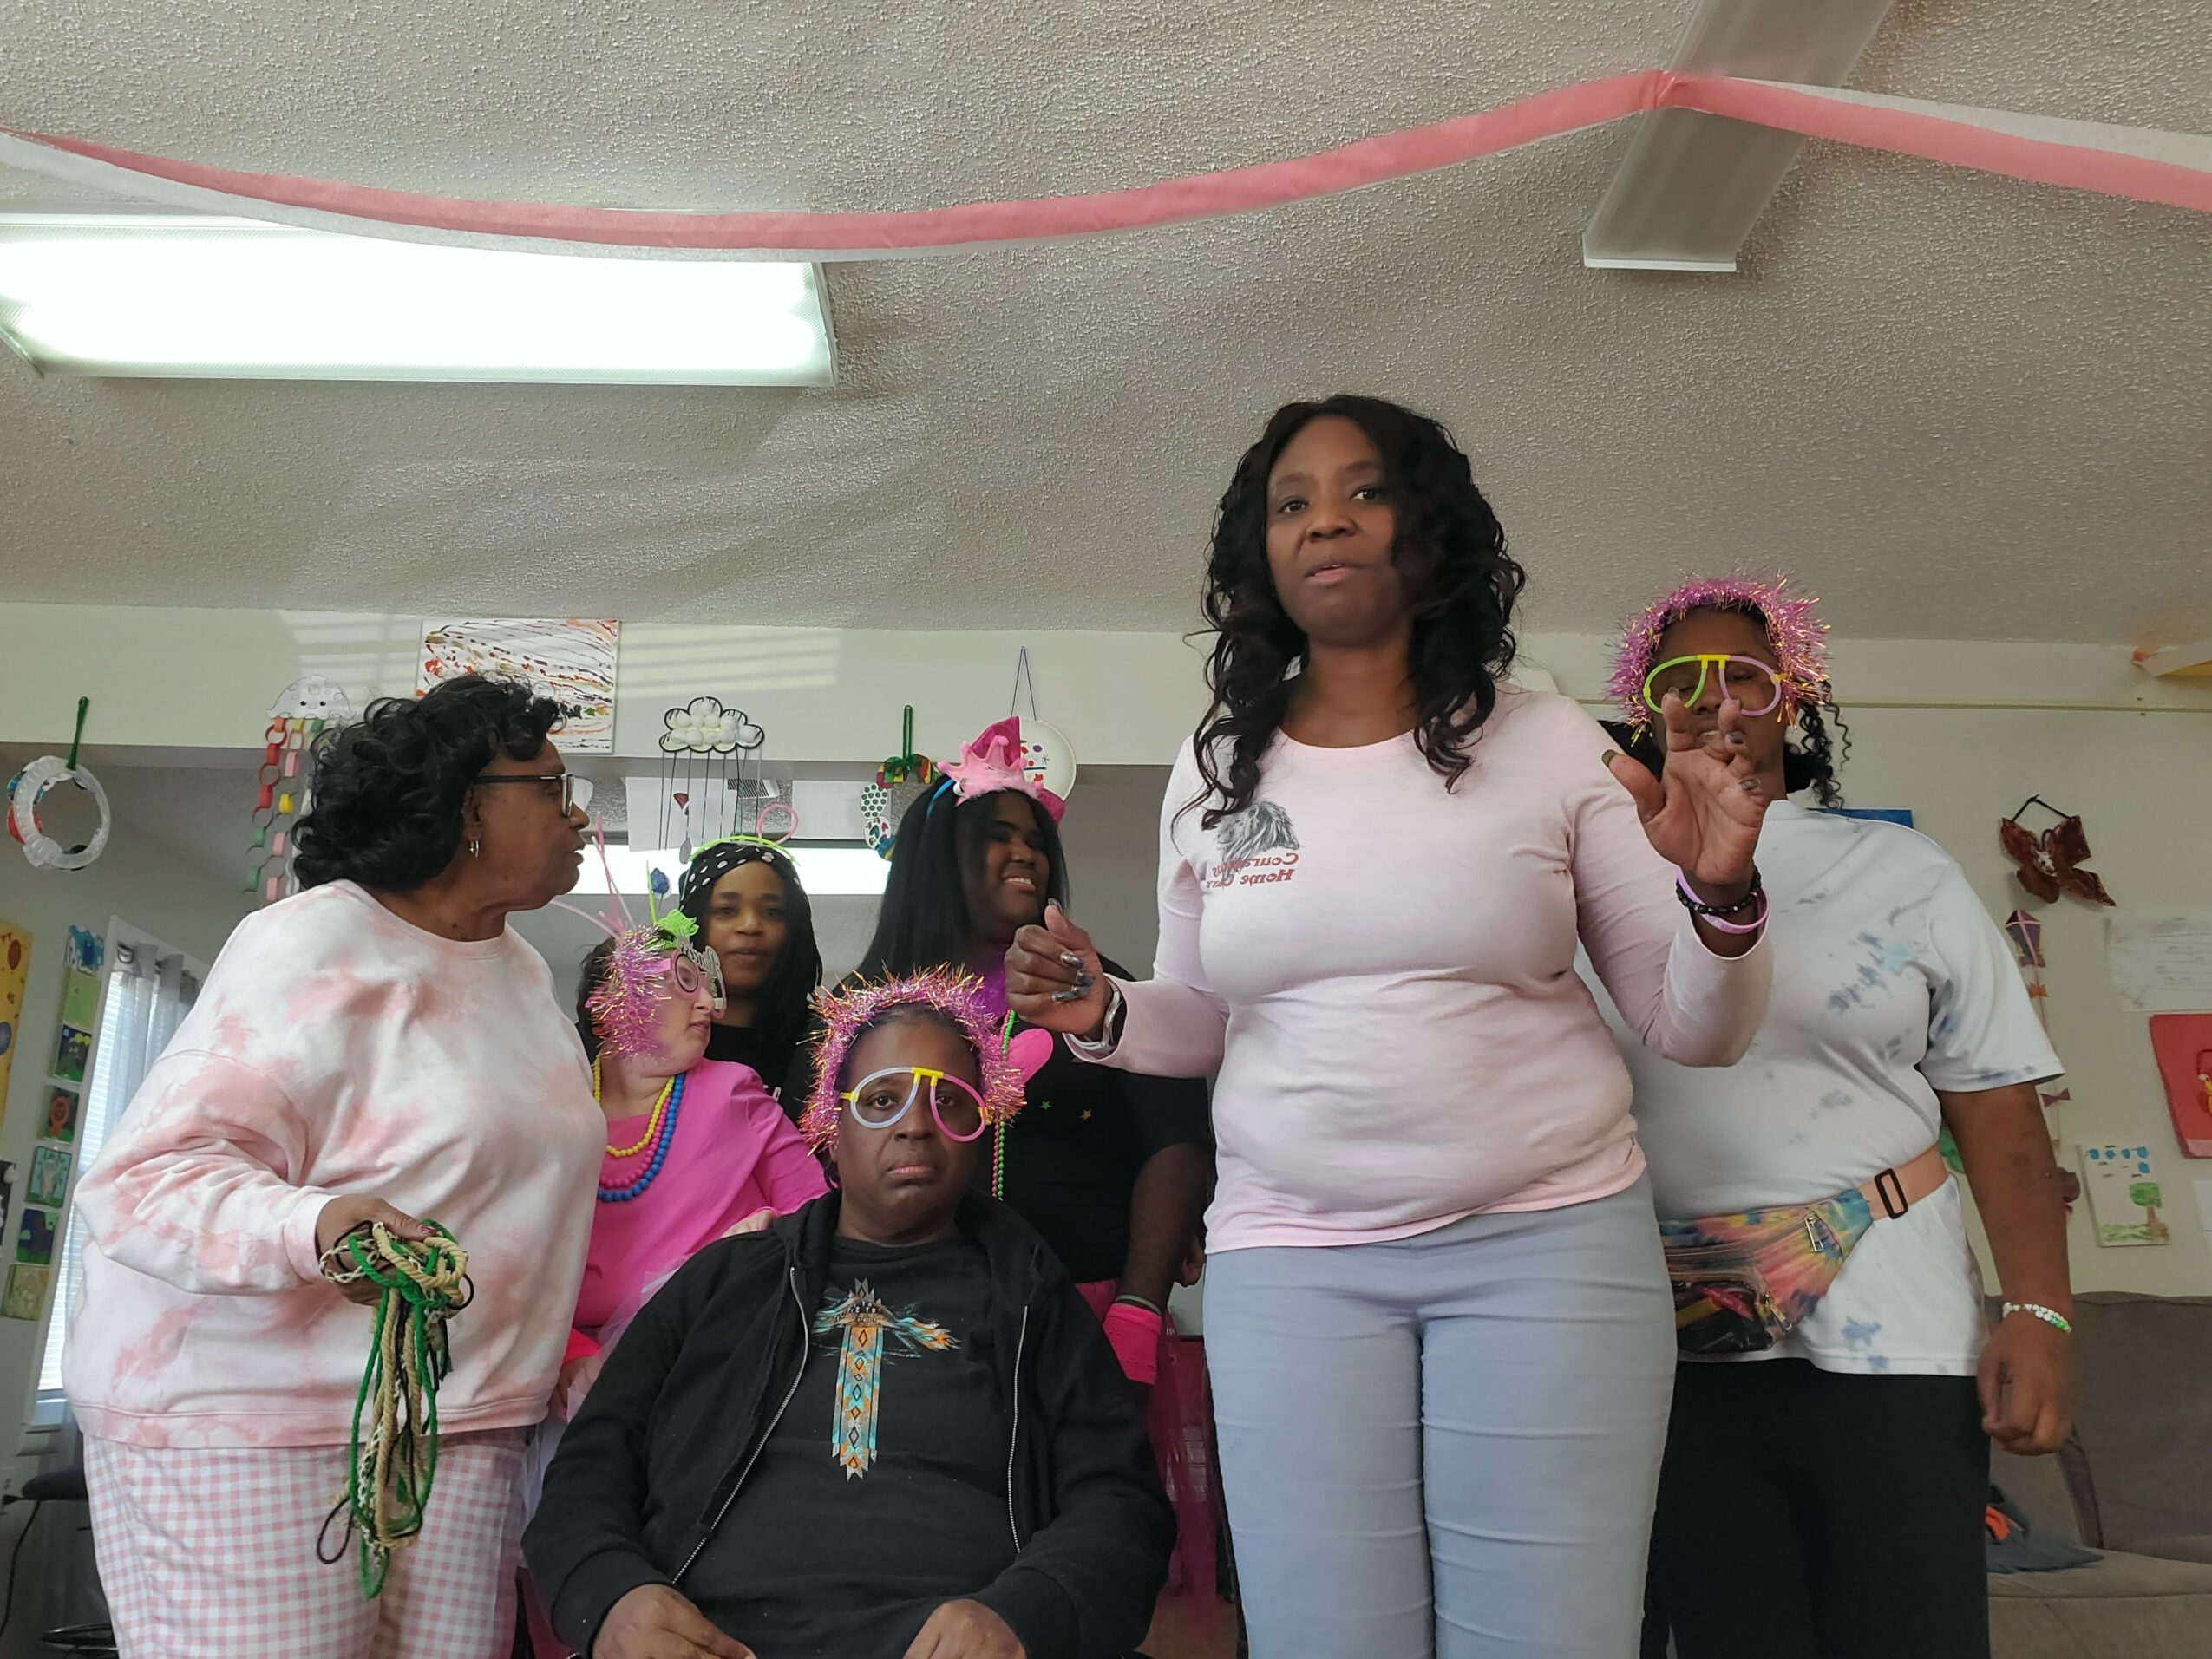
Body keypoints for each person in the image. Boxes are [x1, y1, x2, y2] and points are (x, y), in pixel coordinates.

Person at [1007, 395, 1778, 1658]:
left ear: (1430, 532)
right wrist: (1103, 1011)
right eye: (1292, 501)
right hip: (1290, 1262)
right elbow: (1206, 1017)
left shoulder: (1550, 744)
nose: (1326, 521)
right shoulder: (1217, 771)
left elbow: (1690, 1029)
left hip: (1545, 1249)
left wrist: (1723, 895)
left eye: (1363, 491)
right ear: (1259, 551)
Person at [66, 675, 604, 1659]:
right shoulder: (314, 943)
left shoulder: (523, 970)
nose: (580, 817)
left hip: (461, 1421)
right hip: (252, 1422)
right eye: (554, 788)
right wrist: (313, 1227)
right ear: (466, 807)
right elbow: (146, 1180)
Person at [1601, 578, 2077, 1659]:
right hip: (1665, 1337)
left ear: (1795, 698)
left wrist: (2040, 1311)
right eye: (1683, 678)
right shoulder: (1600, 877)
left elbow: (1997, 1102)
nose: (1716, 700)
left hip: (1894, 1324)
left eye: (1747, 677)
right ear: (1645, 707)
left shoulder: (1901, 869)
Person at [525, 970, 1173, 1659]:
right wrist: (612, 1595)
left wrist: (1025, 1616)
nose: (915, 1125)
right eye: (883, 1099)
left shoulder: (1032, 1296)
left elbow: (1121, 1501)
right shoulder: (725, 1282)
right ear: (832, 1125)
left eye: (950, 1102)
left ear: (982, 1129)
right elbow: (590, 1465)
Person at [859, 718, 1212, 1402]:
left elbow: (1177, 1141)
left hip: (1090, 1315)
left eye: (1036, 841)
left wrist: (1138, 1310)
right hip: (906, 1318)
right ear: (938, 855)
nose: (1026, 852)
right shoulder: (868, 1004)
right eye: (998, 836)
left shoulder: (1098, 988)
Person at [521, 915, 829, 1655]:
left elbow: (821, 1223)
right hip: (579, 1395)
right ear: (607, 1009)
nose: (709, 1004)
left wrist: (745, 1259)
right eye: (680, 984)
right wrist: (568, 1349)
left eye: (707, 984)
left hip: (721, 1375)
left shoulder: (734, 1091)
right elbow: (516, 1255)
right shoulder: (554, 1114)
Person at [676, 834, 825, 1107]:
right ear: (692, 924)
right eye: (726, 910)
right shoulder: (656, 1033)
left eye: (773, 912)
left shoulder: (826, 1041)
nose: (750, 925)